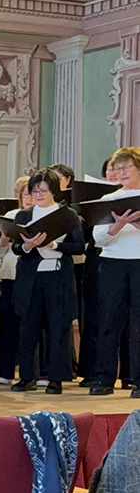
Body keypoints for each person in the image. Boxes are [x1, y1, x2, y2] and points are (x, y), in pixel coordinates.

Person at [10, 170, 84, 394]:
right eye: (34, 191)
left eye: (43, 190)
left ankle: (56, 379)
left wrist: (54, 245)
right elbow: (15, 247)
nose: (38, 195)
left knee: (58, 328)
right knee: (28, 327)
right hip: (30, 277)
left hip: (58, 276)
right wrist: (27, 246)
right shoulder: (24, 215)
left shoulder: (67, 214)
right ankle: (26, 377)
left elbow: (78, 247)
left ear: (54, 191)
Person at [89, 147, 140, 397]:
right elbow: (98, 238)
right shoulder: (109, 198)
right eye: (117, 168)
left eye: (126, 167)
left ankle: (138, 381)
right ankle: (103, 379)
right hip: (113, 262)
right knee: (109, 321)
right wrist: (117, 226)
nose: (121, 172)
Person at [0, 176, 33, 383]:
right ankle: (4, 371)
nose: (29, 198)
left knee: (31, 325)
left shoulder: (44, 216)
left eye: (32, 194)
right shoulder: (11, 215)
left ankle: (30, 372)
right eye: (25, 194)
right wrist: (4, 238)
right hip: (10, 274)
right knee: (8, 324)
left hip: (34, 276)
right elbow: (0, 250)